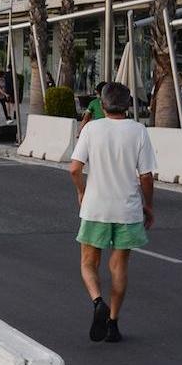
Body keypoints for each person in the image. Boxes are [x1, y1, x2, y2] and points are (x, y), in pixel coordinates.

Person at [68, 82, 156, 343]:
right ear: (128, 105)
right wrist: (148, 205)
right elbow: (147, 176)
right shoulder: (139, 131)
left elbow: (74, 168)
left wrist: (81, 192)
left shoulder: (91, 129)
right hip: (127, 209)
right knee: (119, 267)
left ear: (102, 104)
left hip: (95, 207)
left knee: (88, 263)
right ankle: (113, 323)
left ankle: (98, 302)